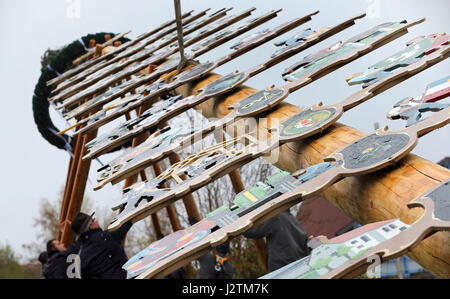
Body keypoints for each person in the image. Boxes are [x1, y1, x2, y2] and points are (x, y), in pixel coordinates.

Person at [243, 209, 309, 272]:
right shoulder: (291, 218)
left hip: (283, 268)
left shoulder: (275, 217)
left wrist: (239, 221)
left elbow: (251, 232)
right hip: (299, 266)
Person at [70, 212, 133, 279]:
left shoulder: (81, 259)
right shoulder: (107, 237)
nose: (97, 222)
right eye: (93, 220)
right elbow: (126, 223)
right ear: (90, 225)